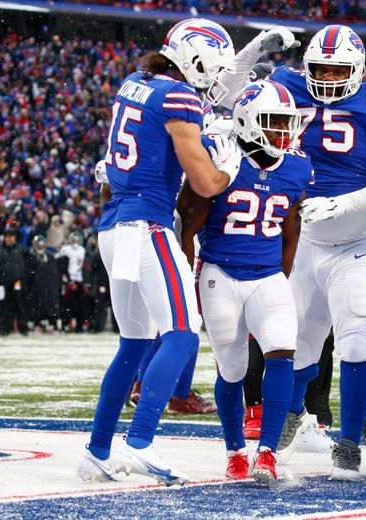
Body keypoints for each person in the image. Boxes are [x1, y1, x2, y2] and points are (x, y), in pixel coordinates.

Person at [219, 24, 366, 479]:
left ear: (358, 70)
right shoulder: (286, 83)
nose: (327, 77)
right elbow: (223, 96)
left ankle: (347, 441)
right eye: (319, 68)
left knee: (357, 340)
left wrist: (342, 202)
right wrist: (251, 51)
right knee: (295, 344)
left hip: (361, 239)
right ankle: (289, 415)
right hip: (304, 239)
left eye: (337, 69)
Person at [77, 18, 243, 486]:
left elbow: (145, 145)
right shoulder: (180, 96)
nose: (215, 77)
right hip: (147, 226)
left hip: (113, 226)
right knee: (184, 335)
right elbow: (207, 183)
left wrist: (204, 133)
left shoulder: (137, 82)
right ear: (197, 59)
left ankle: (98, 449)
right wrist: (227, 161)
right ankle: (141, 443)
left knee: (133, 344)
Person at [178, 80, 312, 483]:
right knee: (232, 369)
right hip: (219, 272)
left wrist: (280, 277)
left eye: (287, 123)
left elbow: (291, 226)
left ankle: (267, 452)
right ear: (249, 121)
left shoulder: (296, 166)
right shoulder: (223, 159)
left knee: (282, 350)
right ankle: (235, 449)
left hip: (267, 274)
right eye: (273, 123)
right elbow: (187, 224)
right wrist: (187, 277)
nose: (283, 133)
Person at [0, 229, 29, 336]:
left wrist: (23, 277)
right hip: (3, 283)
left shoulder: (21, 249)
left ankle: (23, 328)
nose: (9, 238)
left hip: (18, 282)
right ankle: (5, 328)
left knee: (20, 305)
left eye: (11, 236)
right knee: (4, 307)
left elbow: (28, 264)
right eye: (7, 236)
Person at [27, 235, 61, 332]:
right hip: (35, 285)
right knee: (36, 304)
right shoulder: (30, 256)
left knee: (50, 304)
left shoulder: (49, 256)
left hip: (48, 285)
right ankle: (38, 323)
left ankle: (50, 323)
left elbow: (54, 272)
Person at [59, 231, 87, 332]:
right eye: (73, 239)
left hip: (79, 280)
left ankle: (79, 325)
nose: (75, 241)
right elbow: (62, 265)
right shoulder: (66, 249)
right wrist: (68, 279)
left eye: (77, 239)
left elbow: (84, 266)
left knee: (80, 305)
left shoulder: (82, 250)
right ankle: (66, 324)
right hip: (67, 280)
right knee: (67, 304)